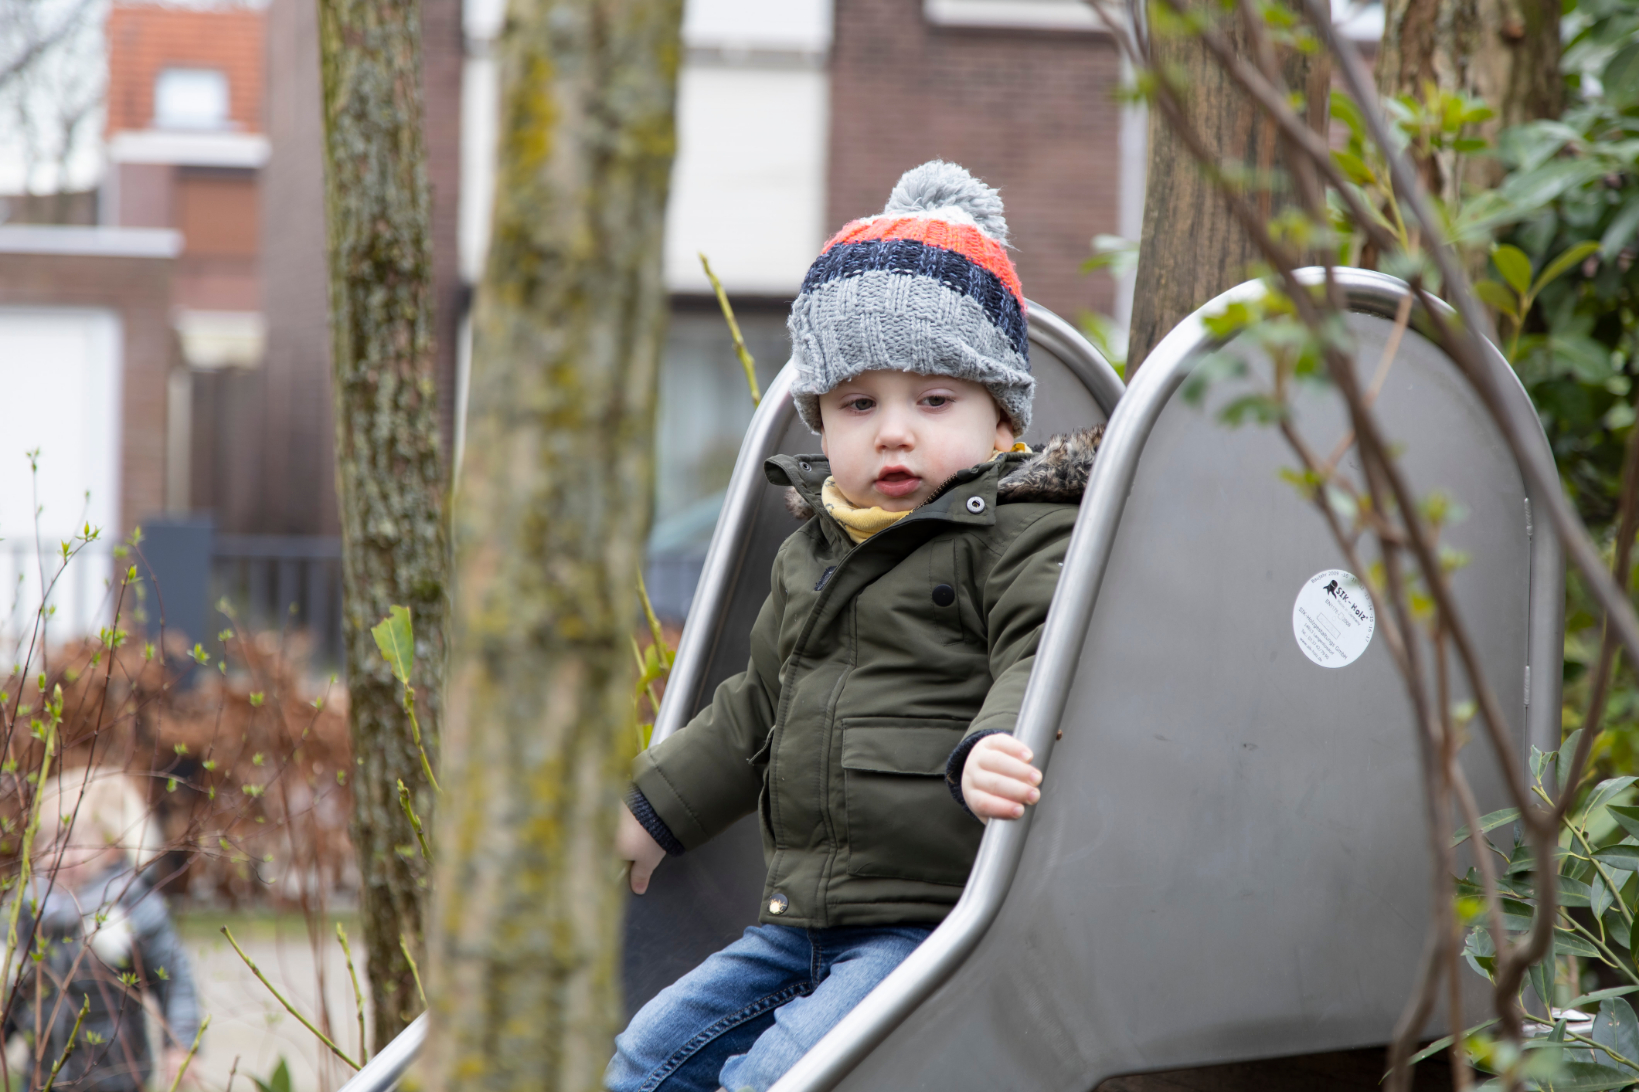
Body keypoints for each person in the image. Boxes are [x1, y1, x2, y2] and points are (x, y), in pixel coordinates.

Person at [608, 161, 1102, 1092]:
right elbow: (751, 707)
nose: (893, 432)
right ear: (820, 420)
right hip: (799, 918)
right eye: (858, 404)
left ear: (1002, 421)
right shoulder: (815, 550)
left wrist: (995, 741)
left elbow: (1044, 650)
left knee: (779, 1077)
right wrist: (648, 814)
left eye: (934, 400)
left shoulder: (1019, 530)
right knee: (644, 1057)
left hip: (935, 925)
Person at [3, 768, 201, 1092]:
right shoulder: (29, 910)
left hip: (117, 1076)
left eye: (72, 842)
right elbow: (15, 990)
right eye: (46, 841)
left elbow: (175, 980)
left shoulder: (133, 908)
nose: (55, 855)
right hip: (41, 1076)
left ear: (114, 845)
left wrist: (180, 1044)